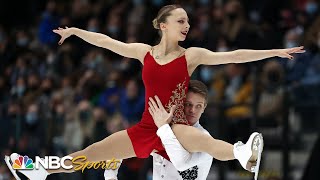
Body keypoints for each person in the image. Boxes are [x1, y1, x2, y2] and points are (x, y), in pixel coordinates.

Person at [7, 4, 304, 180]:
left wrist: (274, 51)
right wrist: (76, 32)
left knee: (205, 141)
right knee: (92, 153)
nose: (187, 25)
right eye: (181, 21)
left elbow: (234, 55)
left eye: (188, 21)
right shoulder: (144, 52)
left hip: (174, 127)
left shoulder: (191, 56)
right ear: (163, 25)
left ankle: (244, 154)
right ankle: (40, 170)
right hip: (146, 128)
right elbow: (108, 42)